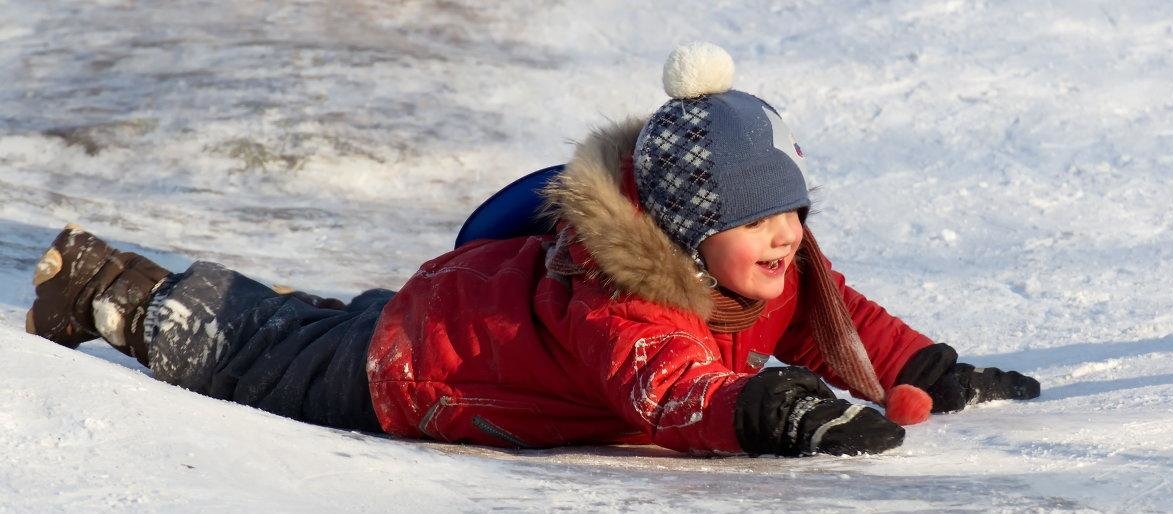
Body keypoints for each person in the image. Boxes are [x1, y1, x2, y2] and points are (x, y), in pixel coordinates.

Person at [25, 43, 1038, 457]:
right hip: (411, 367)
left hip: (456, 312)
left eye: (794, 212)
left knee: (314, 322)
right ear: (686, 231)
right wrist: (761, 411)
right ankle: (118, 293)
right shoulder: (622, 302)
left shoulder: (759, 271)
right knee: (254, 352)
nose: (788, 238)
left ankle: (294, 309)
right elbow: (664, 387)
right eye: (761, 219)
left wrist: (921, 368)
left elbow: (833, 317)